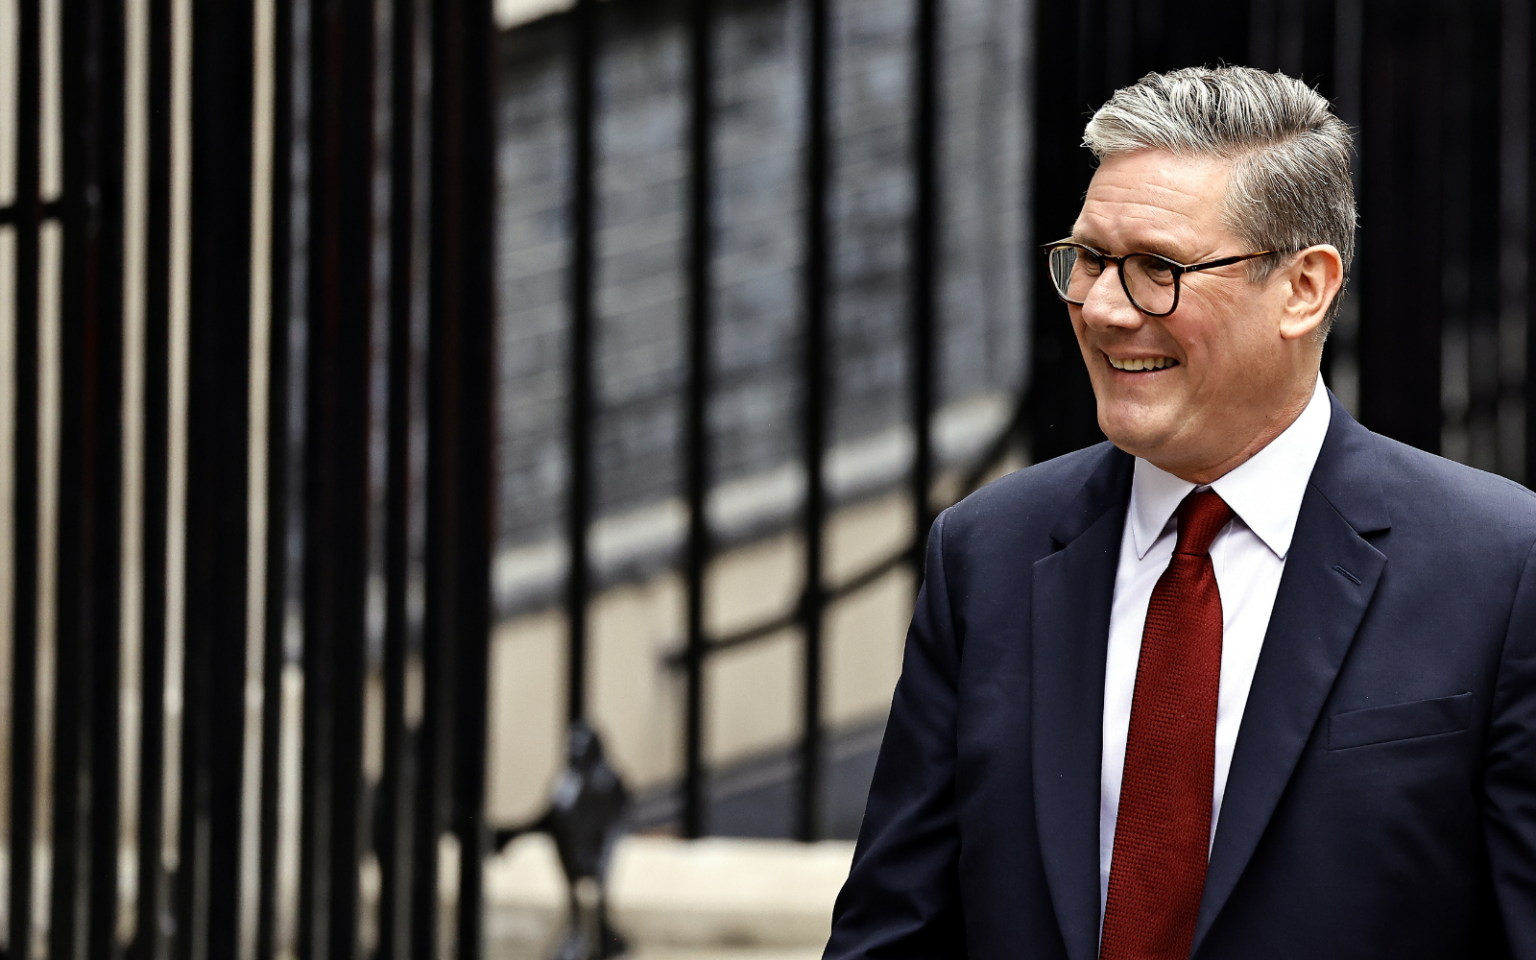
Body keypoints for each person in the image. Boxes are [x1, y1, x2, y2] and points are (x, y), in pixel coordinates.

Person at [824, 65, 1536, 959]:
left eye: (1158, 269)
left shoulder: (1501, 567)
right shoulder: (985, 552)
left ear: (1304, 288)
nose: (1106, 309)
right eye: (1089, 261)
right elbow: (894, 932)